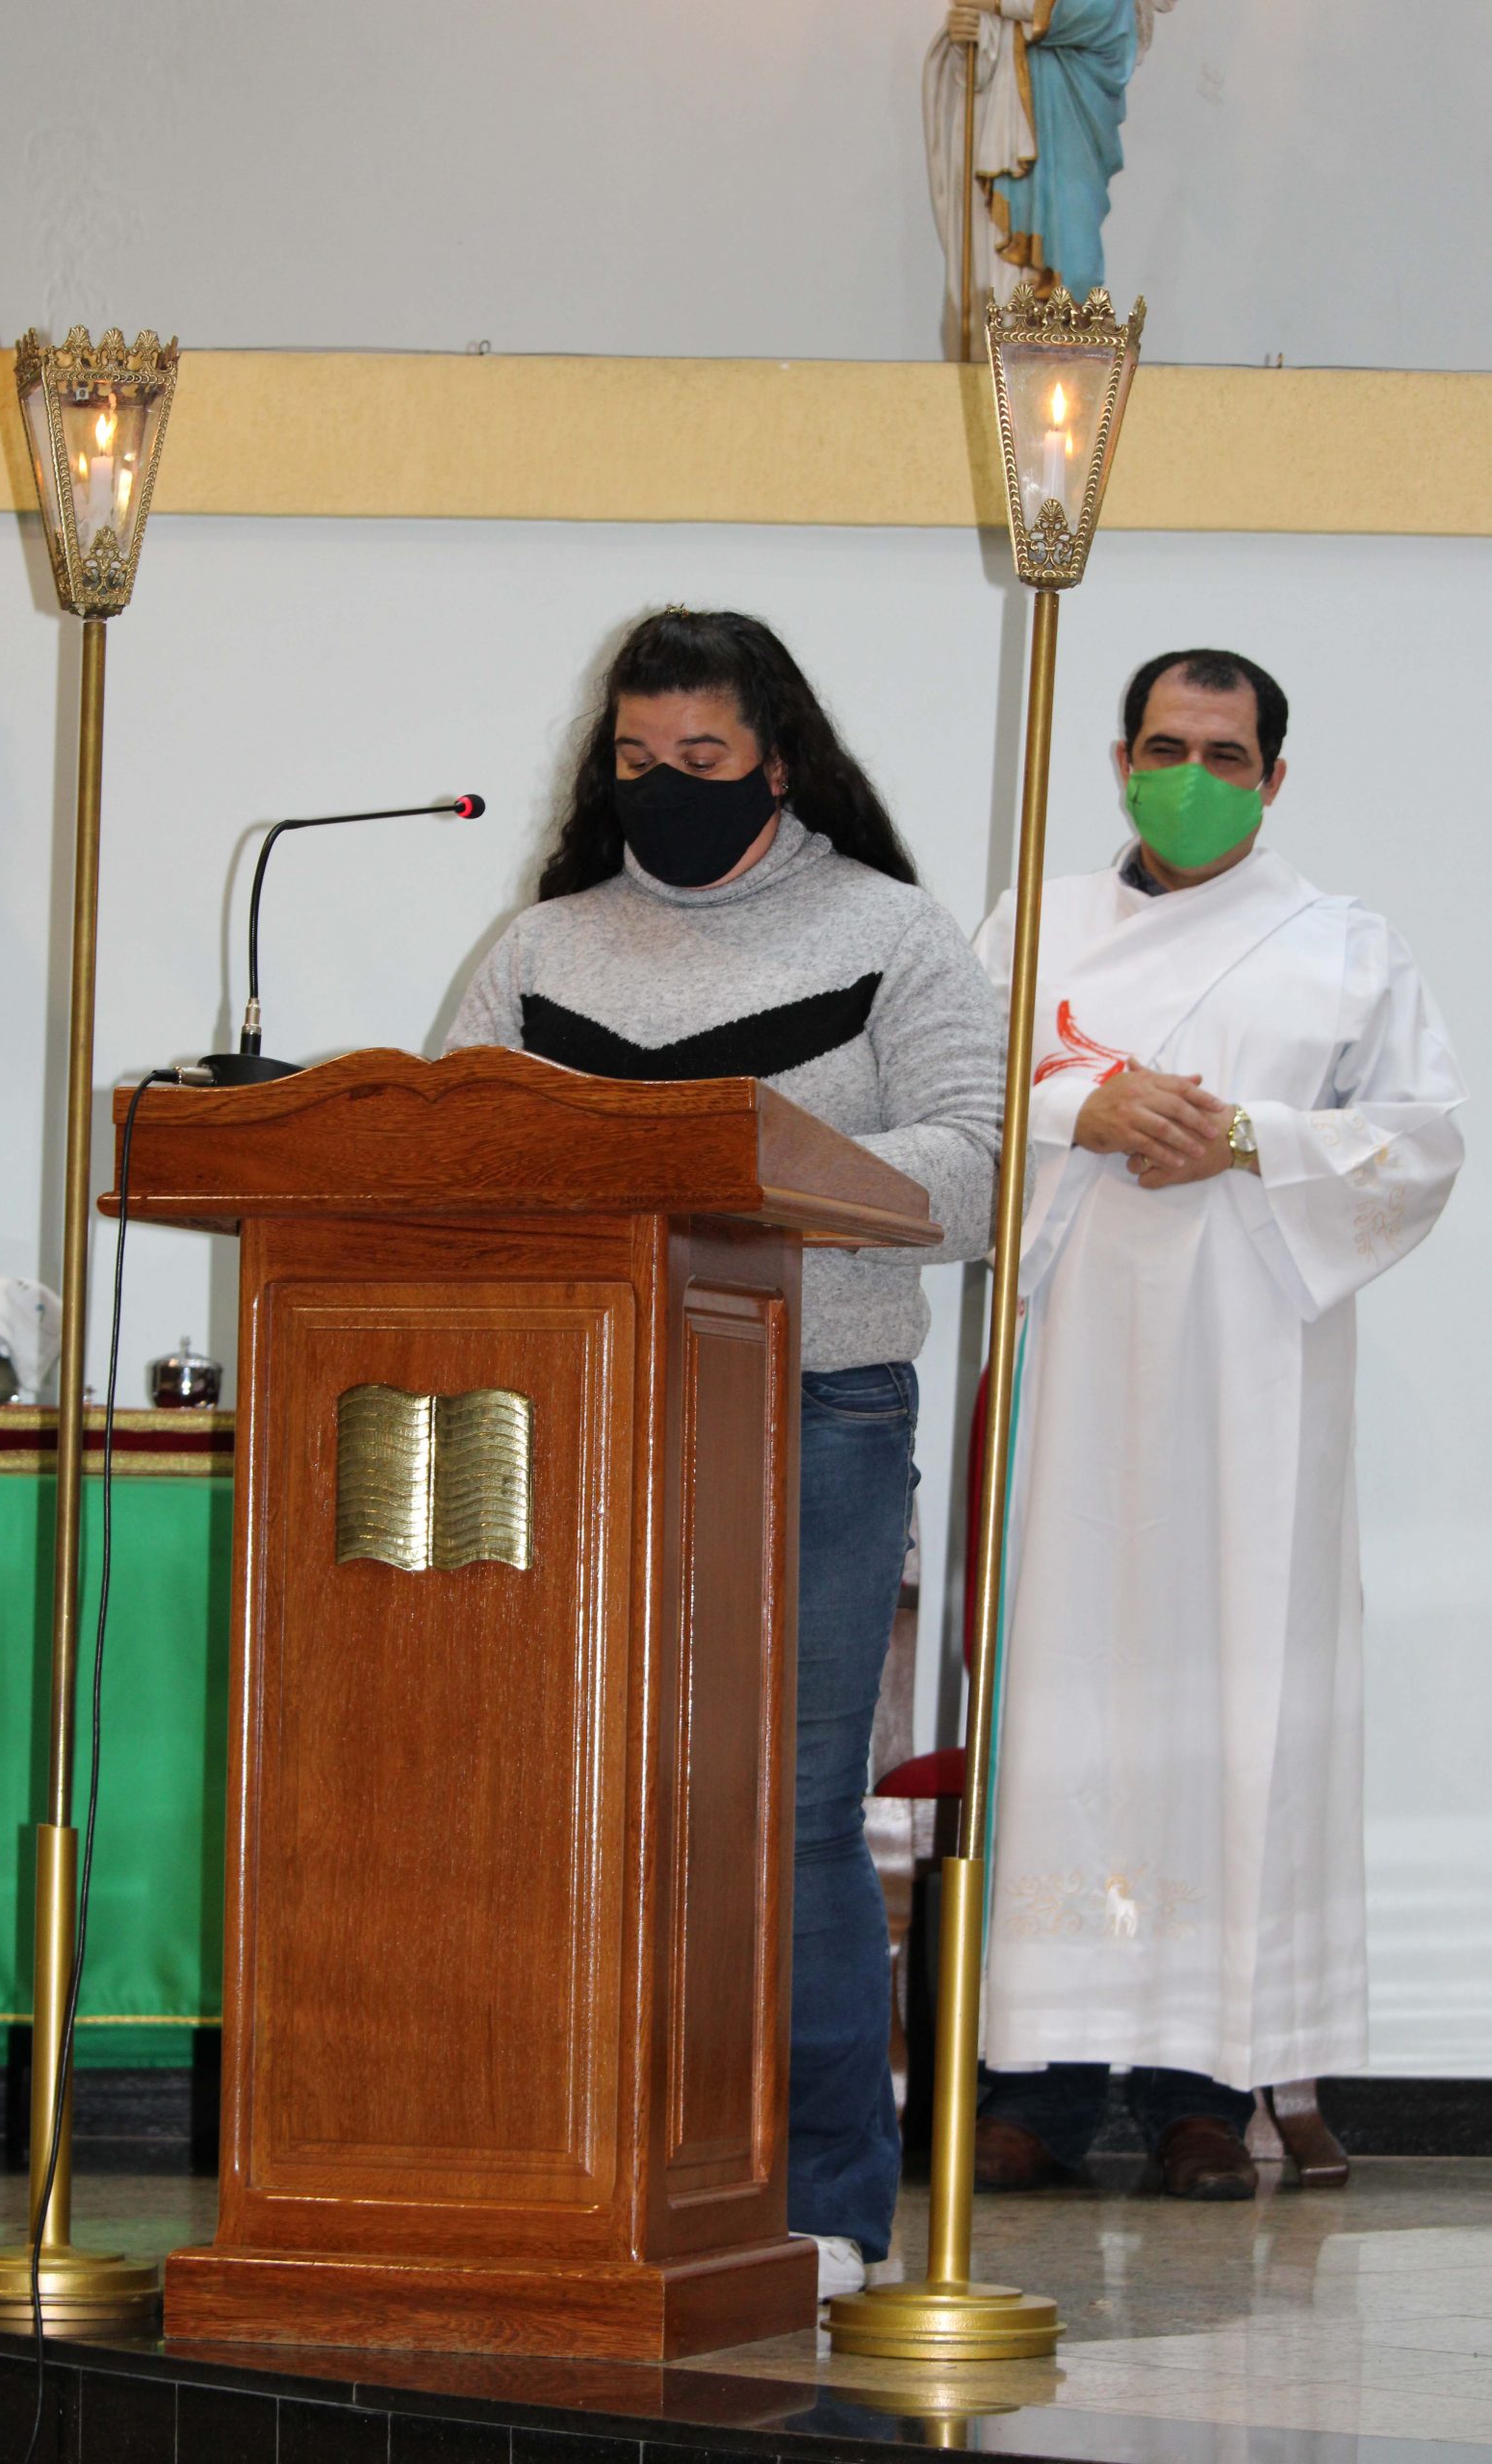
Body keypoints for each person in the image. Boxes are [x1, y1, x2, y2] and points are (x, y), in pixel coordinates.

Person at [446, 608, 1005, 2292]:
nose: (664, 785)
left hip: (812, 1411)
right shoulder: (540, 948)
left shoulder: (888, 931)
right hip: (583, 1416)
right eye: (635, 758)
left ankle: (822, 2206)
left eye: (700, 756)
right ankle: (581, 2170)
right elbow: (455, 1153)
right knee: (576, 1798)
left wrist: (762, 1172)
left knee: (787, 1815)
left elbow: (981, 1168)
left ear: (776, 762)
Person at [972, 648, 1465, 2197]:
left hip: (1256, 1383)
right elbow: (957, 1107)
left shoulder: (1340, 947)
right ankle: (1036, 2090)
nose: (1190, 776)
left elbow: (1420, 1143)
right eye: (1164, 747)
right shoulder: (1030, 925)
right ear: (1121, 759)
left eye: (1225, 754)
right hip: (1076, 1372)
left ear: (1272, 777)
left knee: (1232, 1695)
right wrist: (1081, 1110)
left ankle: (1202, 2090)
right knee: (1064, 1694)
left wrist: (1244, 1138)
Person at [923, 0, 1177, 353]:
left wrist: (995, 7)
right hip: (1014, 136)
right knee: (1005, 281)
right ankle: (1008, 359)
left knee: (1076, 264)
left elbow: (1094, 12)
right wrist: (974, 39)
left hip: (1075, 126)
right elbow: (979, 70)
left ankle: (1069, 361)